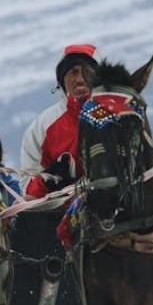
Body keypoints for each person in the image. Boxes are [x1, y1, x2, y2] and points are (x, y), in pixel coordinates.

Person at [19, 43, 98, 200]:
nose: (80, 79)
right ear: (62, 80)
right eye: (73, 72)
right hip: (60, 214)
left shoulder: (118, 115)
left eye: (86, 72)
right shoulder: (42, 126)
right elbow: (27, 188)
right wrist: (48, 180)